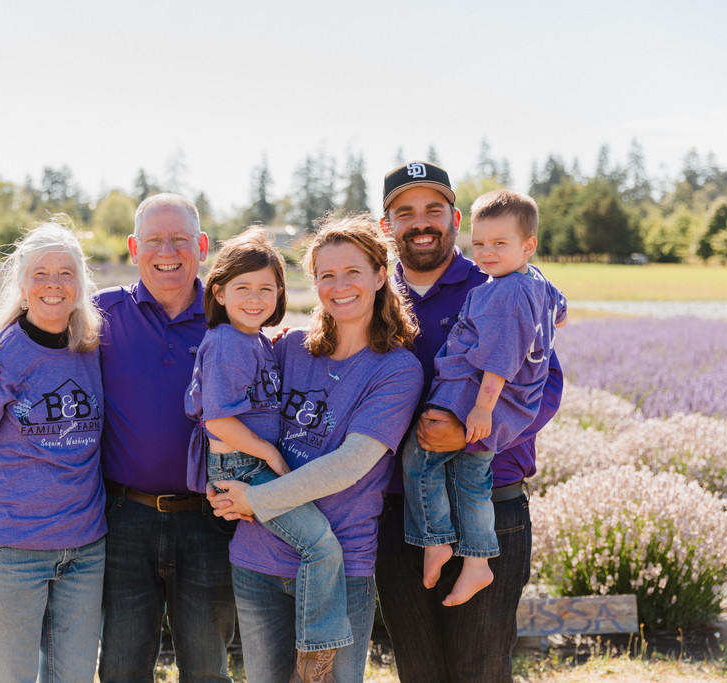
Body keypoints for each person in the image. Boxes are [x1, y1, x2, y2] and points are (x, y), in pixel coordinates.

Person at [0, 194, 236, 682]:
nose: (165, 250)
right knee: (121, 669)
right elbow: (29, 338)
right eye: (153, 240)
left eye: (179, 239)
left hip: (204, 521)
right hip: (124, 521)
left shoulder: (230, 318)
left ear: (202, 246)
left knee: (207, 669)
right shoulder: (105, 318)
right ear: (133, 248)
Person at [209, 214, 424, 683]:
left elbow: (350, 464)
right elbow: (224, 407)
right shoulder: (288, 351)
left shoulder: (397, 370)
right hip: (258, 557)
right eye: (327, 275)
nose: (339, 285)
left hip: (341, 565)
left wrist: (256, 499)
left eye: (353, 272)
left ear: (380, 275)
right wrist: (223, 483)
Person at [374, 161, 564, 682]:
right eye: (405, 211)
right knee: (418, 670)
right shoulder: (369, 294)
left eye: (433, 209)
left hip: (490, 501)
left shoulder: (501, 283)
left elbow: (545, 385)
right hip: (395, 509)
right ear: (386, 225)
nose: (421, 222)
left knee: (478, 670)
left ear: (455, 217)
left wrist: (475, 430)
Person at [185, 227, 352, 681]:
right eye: (242, 289)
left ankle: (313, 645)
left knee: (313, 544)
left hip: (251, 464)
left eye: (266, 288)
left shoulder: (255, 340)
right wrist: (273, 458)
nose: (255, 298)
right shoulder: (224, 342)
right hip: (245, 466)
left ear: (280, 292)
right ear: (218, 292)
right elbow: (217, 421)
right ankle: (316, 651)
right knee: (320, 545)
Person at [0, 218, 107, 683]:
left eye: (65, 273)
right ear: (20, 284)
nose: (53, 285)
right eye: (40, 274)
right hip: (11, 552)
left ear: (81, 283)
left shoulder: (93, 347)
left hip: (85, 549)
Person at [402, 188, 568, 608]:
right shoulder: (535, 282)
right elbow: (559, 310)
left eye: (499, 244)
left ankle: (435, 540)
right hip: (500, 402)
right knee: (471, 480)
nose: (486, 253)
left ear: (527, 245)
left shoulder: (504, 292)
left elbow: (499, 357)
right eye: (479, 244)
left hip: (472, 394)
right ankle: (476, 562)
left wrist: (481, 408)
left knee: (420, 459)